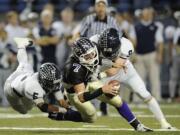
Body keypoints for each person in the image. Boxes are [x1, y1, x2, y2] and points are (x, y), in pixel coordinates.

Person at [50, 37, 152, 132]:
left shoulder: (93, 49)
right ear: (78, 57)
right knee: (91, 117)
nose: (92, 57)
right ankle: (64, 115)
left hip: (90, 80)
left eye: (92, 54)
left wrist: (113, 64)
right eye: (87, 56)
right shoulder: (73, 69)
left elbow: (99, 59)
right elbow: (81, 97)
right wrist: (102, 89)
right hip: (75, 92)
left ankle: (137, 125)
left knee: (116, 99)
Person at [89, 28, 175, 130]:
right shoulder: (93, 42)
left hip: (124, 71)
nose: (109, 55)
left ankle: (164, 122)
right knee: (112, 99)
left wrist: (98, 75)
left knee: (144, 94)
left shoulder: (126, 45)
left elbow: (114, 70)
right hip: (103, 72)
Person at [4, 37, 69, 114]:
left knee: (24, 63)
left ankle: (21, 45)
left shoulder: (49, 79)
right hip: (11, 89)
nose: (56, 85)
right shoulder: (33, 86)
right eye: (52, 82)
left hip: (24, 74)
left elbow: (61, 100)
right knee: (24, 111)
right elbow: (43, 107)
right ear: (44, 80)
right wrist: (62, 110)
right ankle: (21, 45)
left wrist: (68, 108)